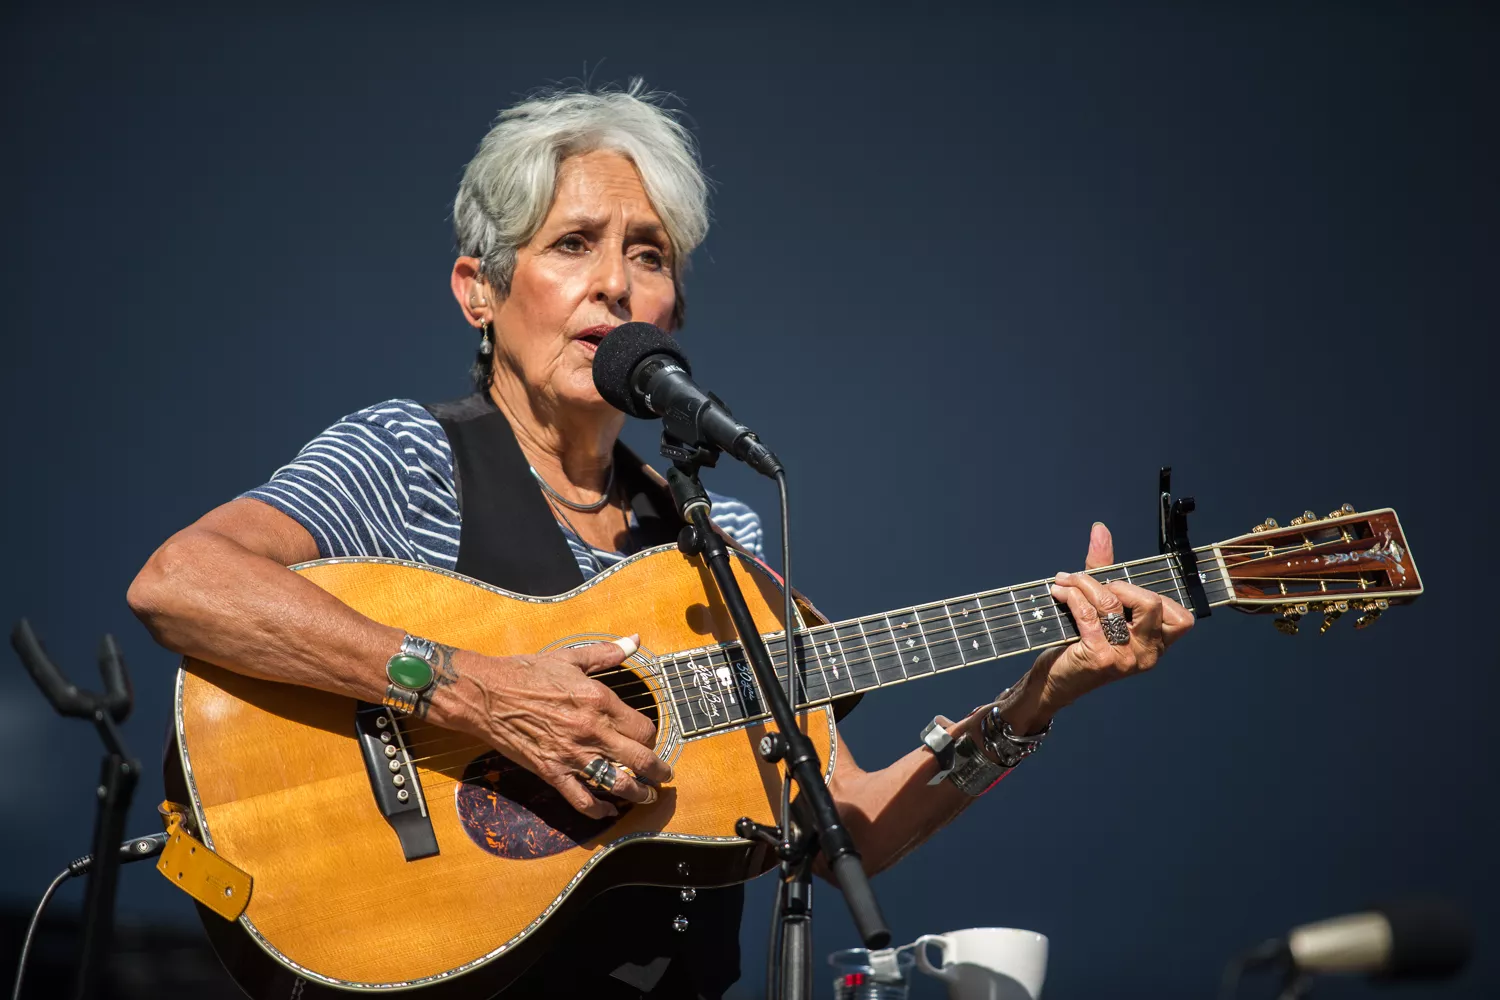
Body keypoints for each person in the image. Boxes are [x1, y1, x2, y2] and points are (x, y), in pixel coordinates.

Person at [127, 82, 1194, 999]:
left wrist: (1035, 700)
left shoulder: (718, 541)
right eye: (573, 244)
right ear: (479, 292)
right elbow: (182, 582)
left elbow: (853, 827)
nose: (615, 281)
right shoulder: (412, 460)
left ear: (671, 312)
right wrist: (468, 689)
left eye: (649, 254)